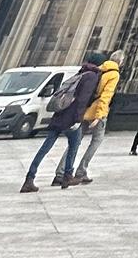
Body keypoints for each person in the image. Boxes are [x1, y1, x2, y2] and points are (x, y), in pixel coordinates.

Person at [22, 57, 100, 193]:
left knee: (45, 148)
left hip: (59, 115)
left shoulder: (81, 72)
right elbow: (82, 100)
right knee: (74, 146)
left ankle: (29, 178)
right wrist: (77, 119)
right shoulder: (92, 77)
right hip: (71, 118)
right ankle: (67, 176)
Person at [70, 49, 123, 185]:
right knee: (96, 140)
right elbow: (106, 96)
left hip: (85, 110)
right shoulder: (114, 74)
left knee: (75, 141)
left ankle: (62, 172)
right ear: (120, 61)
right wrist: (99, 116)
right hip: (97, 113)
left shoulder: (99, 69)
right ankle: (81, 171)